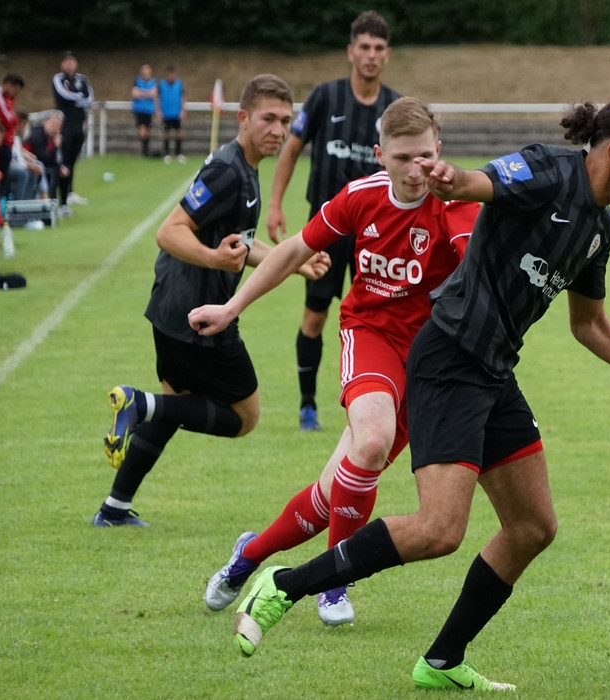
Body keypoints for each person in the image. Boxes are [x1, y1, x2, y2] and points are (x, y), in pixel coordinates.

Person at [228, 97, 610, 691]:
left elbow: (590, 326)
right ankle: (286, 584)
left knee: (533, 526)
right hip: (449, 357)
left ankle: (442, 660)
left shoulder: (599, 229)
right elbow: (481, 183)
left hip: (494, 369)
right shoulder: (546, 170)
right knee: (439, 530)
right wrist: (453, 178)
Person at [191, 97, 478, 626]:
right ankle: (334, 582)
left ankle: (249, 555)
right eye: (400, 158)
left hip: (430, 364)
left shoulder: (457, 205)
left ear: (439, 150)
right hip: (369, 334)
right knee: (369, 441)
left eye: (424, 156)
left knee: (331, 496)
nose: (415, 170)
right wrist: (231, 307)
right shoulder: (360, 196)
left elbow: (486, 276)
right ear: (379, 155)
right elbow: (293, 250)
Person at [91, 74, 330, 528]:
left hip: (171, 310)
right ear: (242, 118)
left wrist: (294, 263)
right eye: (268, 119)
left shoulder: (245, 167)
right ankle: (139, 405)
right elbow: (169, 232)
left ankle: (114, 508)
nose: (278, 130)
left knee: (173, 406)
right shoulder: (227, 171)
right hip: (200, 317)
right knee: (245, 417)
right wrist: (213, 261)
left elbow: (238, 245)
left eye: (285, 120)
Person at [266, 9, 400, 432]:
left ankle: (378, 405)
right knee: (316, 316)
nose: (371, 55)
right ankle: (308, 406)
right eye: (364, 47)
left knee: (379, 321)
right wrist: (275, 204)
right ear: (350, 51)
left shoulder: (394, 107)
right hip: (324, 229)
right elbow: (290, 149)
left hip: (377, 235)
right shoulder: (325, 96)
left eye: (379, 48)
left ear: (387, 55)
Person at [52, 51, 94, 216]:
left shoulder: (82, 79)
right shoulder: (58, 79)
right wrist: (78, 97)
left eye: (72, 61)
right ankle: (59, 200)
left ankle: (69, 193)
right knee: (62, 161)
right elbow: (63, 96)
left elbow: (89, 98)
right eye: (66, 61)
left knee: (72, 161)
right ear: (62, 64)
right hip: (64, 126)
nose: (69, 64)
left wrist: (76, 98)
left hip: (78, 126)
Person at [0, 73, 26, 181]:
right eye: (15, 89)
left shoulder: (10, 97)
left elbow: (12, 118)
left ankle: (3, 195)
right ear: (7, 84)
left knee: (4, 175)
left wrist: (13, 119)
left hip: (7, 141)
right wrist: (13, 119)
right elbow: (8, 119)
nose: (16, 93)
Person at [24, 110, 64, 200]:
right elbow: (43, 158)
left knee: (62, 170)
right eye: (53, 123)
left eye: (58, 125)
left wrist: (61, 165)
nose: (55, 127)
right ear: (45, 121)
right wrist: (56, 147)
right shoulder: (37, 134)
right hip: (28, 161)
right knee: (45, 168)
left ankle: (61, 202)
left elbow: (56, 159)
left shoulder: (52, 137)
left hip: (41, 164)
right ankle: (47, 200)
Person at [6, 109, 43, 201]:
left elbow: (18, 158)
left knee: (35, 168)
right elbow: (12, 160)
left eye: (24, 124)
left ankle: (27, 204)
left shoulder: (17, 138)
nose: (21, 126)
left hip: (15, 166)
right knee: (23, 173)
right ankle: (18, 205)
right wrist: (27, 165)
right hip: (6, 169)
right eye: (20, 123)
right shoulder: (8, 136)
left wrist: (30, 164)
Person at [158, 66, 187, 164]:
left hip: (176, 113)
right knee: (166, 134)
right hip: (166, 113)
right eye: (169, 74)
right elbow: (158, 98)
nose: (171, 76)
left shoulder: (179, 84)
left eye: (172, 74)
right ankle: (166, 154)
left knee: (179, 133)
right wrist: (159, 111)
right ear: (167, 75)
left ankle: (178, 153)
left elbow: (182, 97)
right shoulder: (161, 84)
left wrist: (182, 110)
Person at [131, 63, 158, 157]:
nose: (145, 72)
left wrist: (141, 93)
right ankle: (144, 150)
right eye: (144, 70)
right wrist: (148, 94)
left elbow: (154, 94)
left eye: (147, 70)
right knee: (142, 129)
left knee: (148, 130)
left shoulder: (154, 82)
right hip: (139, 109)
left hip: (150, 109)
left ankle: (146, 150)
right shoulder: (137, 81)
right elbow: (135, 94)